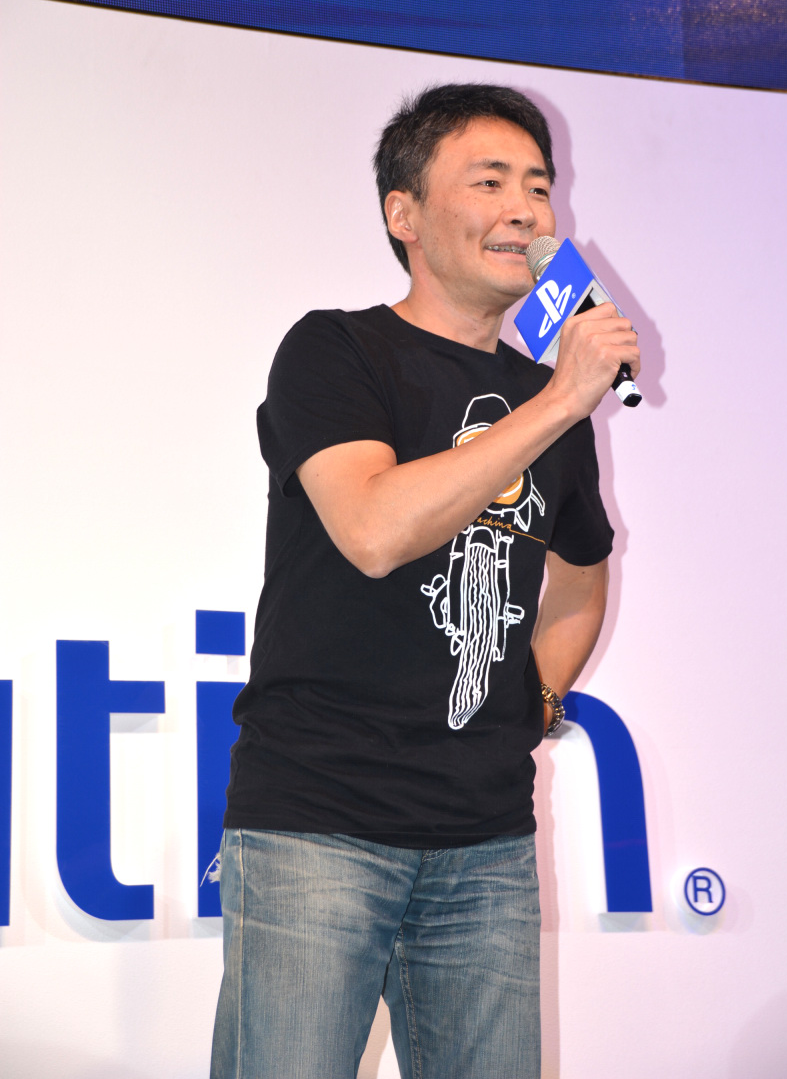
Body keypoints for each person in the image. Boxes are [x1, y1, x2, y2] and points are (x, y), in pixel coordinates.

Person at [210, 83, 640, 1079]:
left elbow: (580, 579)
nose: (524, 211)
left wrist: (535, 701)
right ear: (402, 214)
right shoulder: (337, 349)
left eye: (539, 187)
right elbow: (372, 530)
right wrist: (559, 400)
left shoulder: (547, 398)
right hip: (317, 823)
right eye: (489, 183)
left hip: (486, 840)